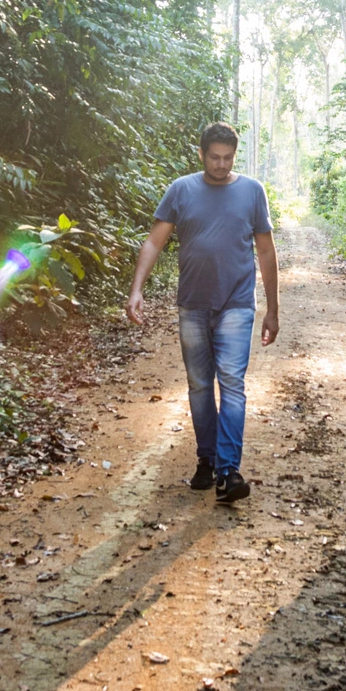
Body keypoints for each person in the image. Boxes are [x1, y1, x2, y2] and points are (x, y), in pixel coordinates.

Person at [127, 121, 279, 503]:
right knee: (198, 386)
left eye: (228, 158)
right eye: (215, 157)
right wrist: (137, 288)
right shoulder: (181, 190)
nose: (222, 165)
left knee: (231, 383)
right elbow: (154, 241)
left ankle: (228, 471)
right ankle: (206, 459)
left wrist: (273, 308)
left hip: (237, 303)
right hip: (192, 304)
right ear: (201, 154)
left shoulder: (252, 191)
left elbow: (266, 252)